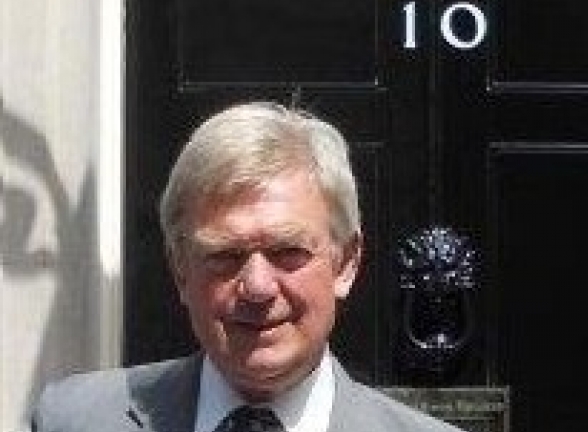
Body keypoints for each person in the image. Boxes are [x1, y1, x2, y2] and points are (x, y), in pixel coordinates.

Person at [31, 101, 463, 432]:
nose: (257, 287)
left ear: (346, 264)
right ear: (180, 269)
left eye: (288, 252)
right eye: (225, 255)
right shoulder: (74, 419)